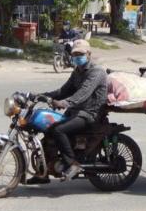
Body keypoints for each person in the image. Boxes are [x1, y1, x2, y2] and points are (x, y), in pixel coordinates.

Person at [27, 39, 107, 184]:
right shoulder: (77, 71)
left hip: (90, 114)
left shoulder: (97, 72)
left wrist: (64, 103)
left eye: (80, 54)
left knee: (59, 131)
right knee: (47, 130)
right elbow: (63, 91)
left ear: (88, 54)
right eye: (75, 54)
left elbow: (83, 93)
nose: (77, 56)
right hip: (75, 112)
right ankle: (42, 173)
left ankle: (72, 164)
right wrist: (39, 96)